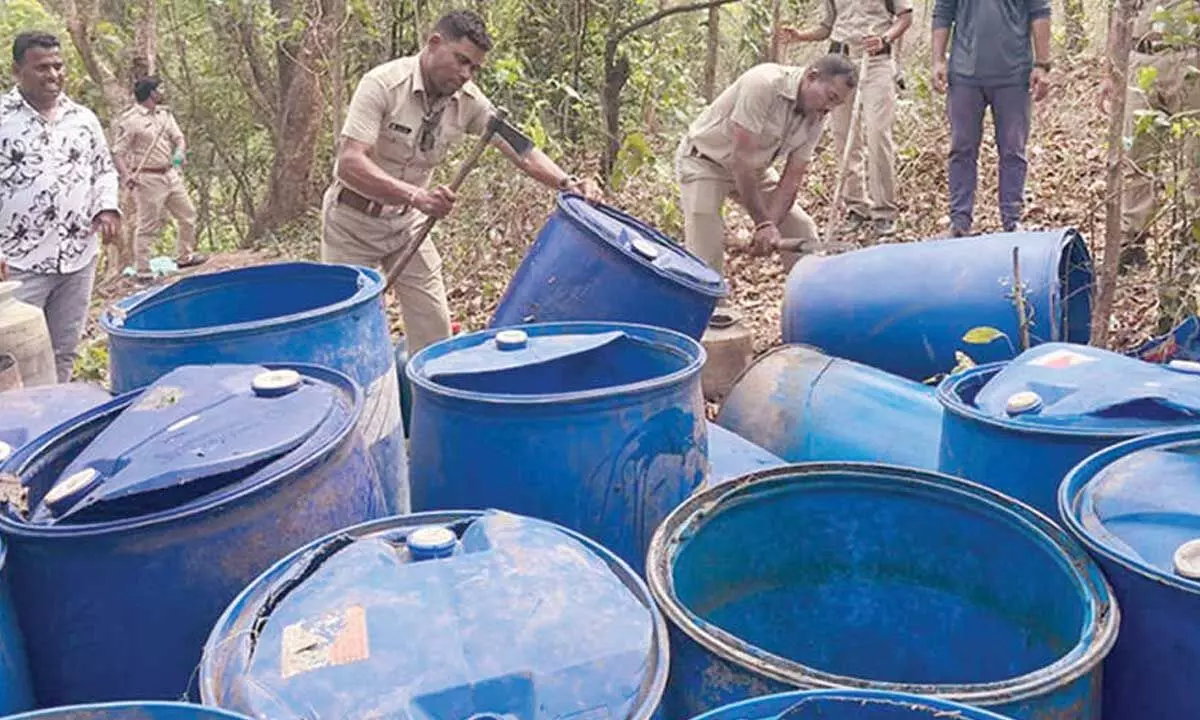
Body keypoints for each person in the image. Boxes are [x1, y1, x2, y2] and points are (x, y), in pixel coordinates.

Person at [322, 9, 600, 355]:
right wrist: (417, 196)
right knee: (350, 332)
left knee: (435, 331)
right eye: (461, 61)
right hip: (351, 224)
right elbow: (350, 163)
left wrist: (567, 182)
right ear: (434, 43)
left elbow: (521, 149)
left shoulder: (468, 101)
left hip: (407, 227)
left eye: (475, 68)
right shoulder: (383, 84)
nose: (466, 74)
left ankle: (429, 401)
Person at [674, 54, 858, 297]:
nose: (829, 108)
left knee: (801, 228)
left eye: (837, 104)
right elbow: (741, 160)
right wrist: (763, 223)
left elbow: (793, 177)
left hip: (756, 169)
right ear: (812, 77)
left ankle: (814, 303)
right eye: (830, 97)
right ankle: (712, 317)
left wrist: (769, 227)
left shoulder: (818, 116)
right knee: (706, 243)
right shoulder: (763, 83)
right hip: (706, 162)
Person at [0, 32, 120, 382]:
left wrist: (107, 208)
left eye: (58, 65)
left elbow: (103, 170)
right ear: (16, 70)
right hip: (18, 264)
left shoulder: (82, 118)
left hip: (78, 256)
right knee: (13, 356)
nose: (53, 74)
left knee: (63, 349)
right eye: (41, 68)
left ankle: (56, 421)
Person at [779, 0, 913, 238]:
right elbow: (827, 27)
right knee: (843, 137)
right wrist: (801, 35)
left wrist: (885, 38)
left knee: (877, 134)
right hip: (840, 63)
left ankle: (884, 211)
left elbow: (905, 17)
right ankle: (856, 206)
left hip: (876, 61)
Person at [932, 0, 1052, 236]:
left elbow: (1040, 12)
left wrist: (1042, 65)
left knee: (1013, 150)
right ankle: (959, 221)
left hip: (1014, 74)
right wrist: (937, 60)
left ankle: (1012, 220)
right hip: (965, 74)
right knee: (962, 148)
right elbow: (943, 12)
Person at [1099, 0, 1200, 267]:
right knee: (1136, 156)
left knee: (1194, 156)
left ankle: (1191, 239)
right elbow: (1121, 15)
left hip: (1189, 58)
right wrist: (1110, 73)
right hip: (1141, 60)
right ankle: (1132, 243)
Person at [112, 76, 206, 278]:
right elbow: (118, 152)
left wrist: (180, 152)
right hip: (147, 178)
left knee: (187, 214)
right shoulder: (131, 120)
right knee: (148, 225)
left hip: (170, 174)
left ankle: (185, 256)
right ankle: (143, 270)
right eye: (159, 88)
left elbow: (179, 138)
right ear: (151, 93)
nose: (162, 91)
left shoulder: (165, 114)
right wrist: (126, 175)